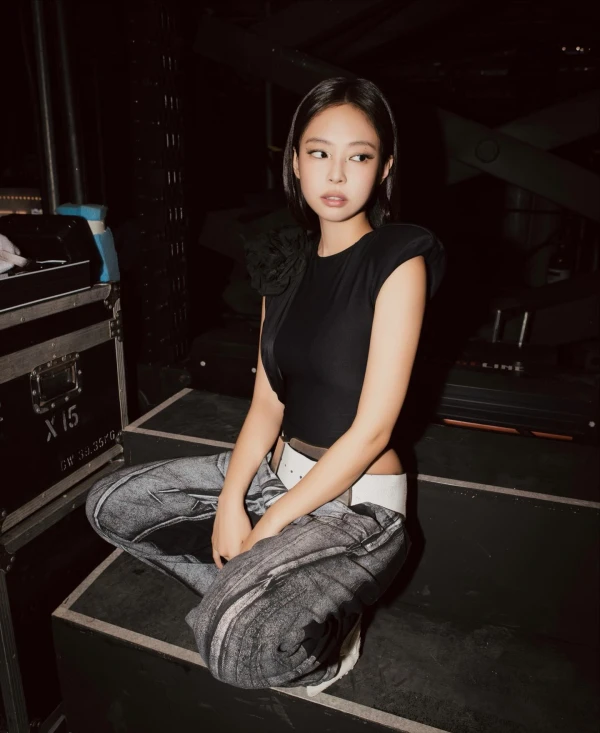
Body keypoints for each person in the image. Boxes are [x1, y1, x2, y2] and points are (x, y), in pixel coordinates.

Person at [85, 76, 446, 694]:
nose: (336, 174)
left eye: (359, 156)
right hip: (278, 478)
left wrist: (268, 525)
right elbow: (266, 404)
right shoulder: (283, 266)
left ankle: (324, 640)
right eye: (319, 152)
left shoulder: (398, 259)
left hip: (356, 506)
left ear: (384, 168)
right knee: (110, 504)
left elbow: (372, 432)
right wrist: (232, 505)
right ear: (295, 163)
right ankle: (260, 593)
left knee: (234, 653)